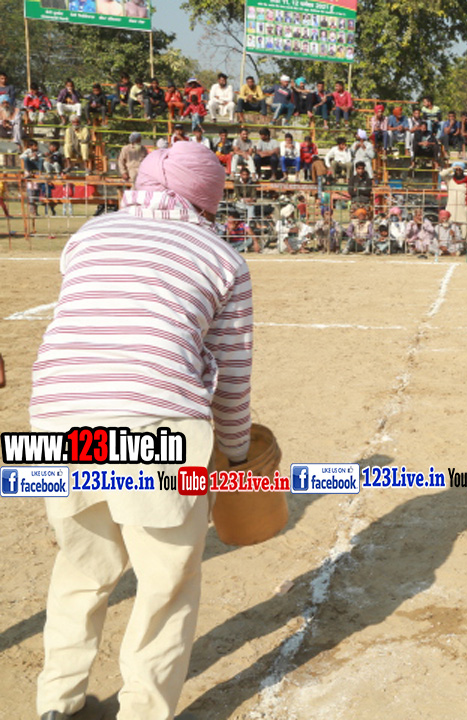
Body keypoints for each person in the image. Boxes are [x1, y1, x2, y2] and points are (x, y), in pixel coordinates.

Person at [32, 141, 252, 720]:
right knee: (164, 581)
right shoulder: (222, 257)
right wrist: (237, 454)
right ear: (207, 197)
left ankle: (57, 701)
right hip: (154, 423)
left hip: (60, 418)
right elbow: (232, 374)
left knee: (82, 564)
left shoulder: (90, 234)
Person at [440, 161, 467, 230]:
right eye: (456, 169)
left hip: (462, 210)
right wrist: (452, 168)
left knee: (464, 232)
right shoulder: (450, 180)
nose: (458, 171)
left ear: (463, 170)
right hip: (451, 210)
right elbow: (442, 174)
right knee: (448, 231)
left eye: (460, 169)